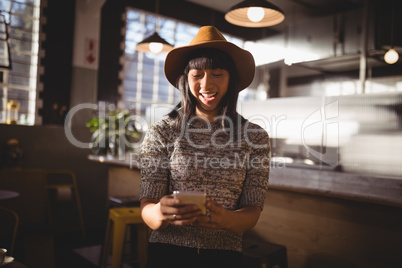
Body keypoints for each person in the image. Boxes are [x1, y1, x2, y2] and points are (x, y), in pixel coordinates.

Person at [140, 25, 270, 268]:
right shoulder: (161, 132)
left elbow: (253, 211)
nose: (207, 84)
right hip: (167, 253)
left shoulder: (255, 137)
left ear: (231, 79)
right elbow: (147, 207)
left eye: (218, 73)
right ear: (186, 79)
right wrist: (160, 212)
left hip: (225, 256)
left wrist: (227, 219)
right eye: (197, 74)